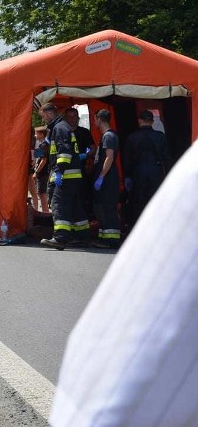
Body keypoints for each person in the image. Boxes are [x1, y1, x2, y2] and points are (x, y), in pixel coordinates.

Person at [49, 138, 198, 427]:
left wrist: (101, 175)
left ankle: (89, 236)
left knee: (105, 212)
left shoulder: (190, 181)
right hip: (148, 173)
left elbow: (116, 396)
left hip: (116, 177)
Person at [38, 102, 89, 250]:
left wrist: (59, 171)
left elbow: (64, 152)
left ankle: (60, 238)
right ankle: (82, 236)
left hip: (65, 175)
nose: (43, 121)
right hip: (73, 176)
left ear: (49, 114)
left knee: (59, 205)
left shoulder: (60, 128)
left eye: (43, 117)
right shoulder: (62, 127)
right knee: (75, 207)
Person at [122, 109, 173, 229]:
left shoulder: (132, 137)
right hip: (156, 171)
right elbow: (167, 158)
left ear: (139, 121)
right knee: (156, 200)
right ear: (152, 121)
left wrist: (127, 176)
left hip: (138, 172)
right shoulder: (160, 137)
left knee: (138, 202)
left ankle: (140, 228)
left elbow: (127, 160)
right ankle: (157, 226)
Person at [91, 109, 120, 248]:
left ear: (100, 119)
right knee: (103, 207)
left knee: (108, 207)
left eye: (95, 119)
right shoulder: (107, 135)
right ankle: (105, 238)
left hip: (108, 178)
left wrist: (101, 176)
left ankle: (111, 240)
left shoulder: (108, 136)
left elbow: (109, 157)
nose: (94, 122)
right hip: (106, 177)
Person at [64, 107, 95, 219]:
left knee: (81, 197)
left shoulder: (84, 132)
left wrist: (85, 156)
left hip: (81, 171)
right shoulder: (62, 132)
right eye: (69, 117)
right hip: (65, 170)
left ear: (78, 118)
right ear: (65, 118)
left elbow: (93, 148)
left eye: (74, 117)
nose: (72, 120)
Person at [32, 126, 50, 213]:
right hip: (41, 173)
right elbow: (36, 157)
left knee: (42, 193)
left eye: (36, 133)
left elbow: (43, 160)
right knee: (40, 193)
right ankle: (44, 211)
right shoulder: (41, 144)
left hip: (42, 173)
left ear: (42, 134)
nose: (35, 135)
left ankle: (45, 212)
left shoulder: (44, 145)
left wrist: (36, 171)